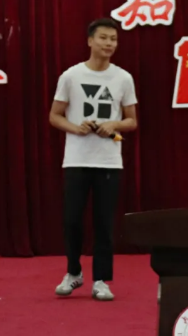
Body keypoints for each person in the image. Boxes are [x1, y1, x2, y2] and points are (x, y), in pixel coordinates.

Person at [49, 17, 138, 301]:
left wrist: (114, 125)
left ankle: (101, 280)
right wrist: (76, 128)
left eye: (113, 39)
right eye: (103, 38)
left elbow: (132, 121)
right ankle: (73, 273)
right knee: (72, 220)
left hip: (108, 162)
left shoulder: (123, 78)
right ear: (90, 41)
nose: (109, 43)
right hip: (76, 160)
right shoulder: (71, 76)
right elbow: (54, 115)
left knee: (104, 224)